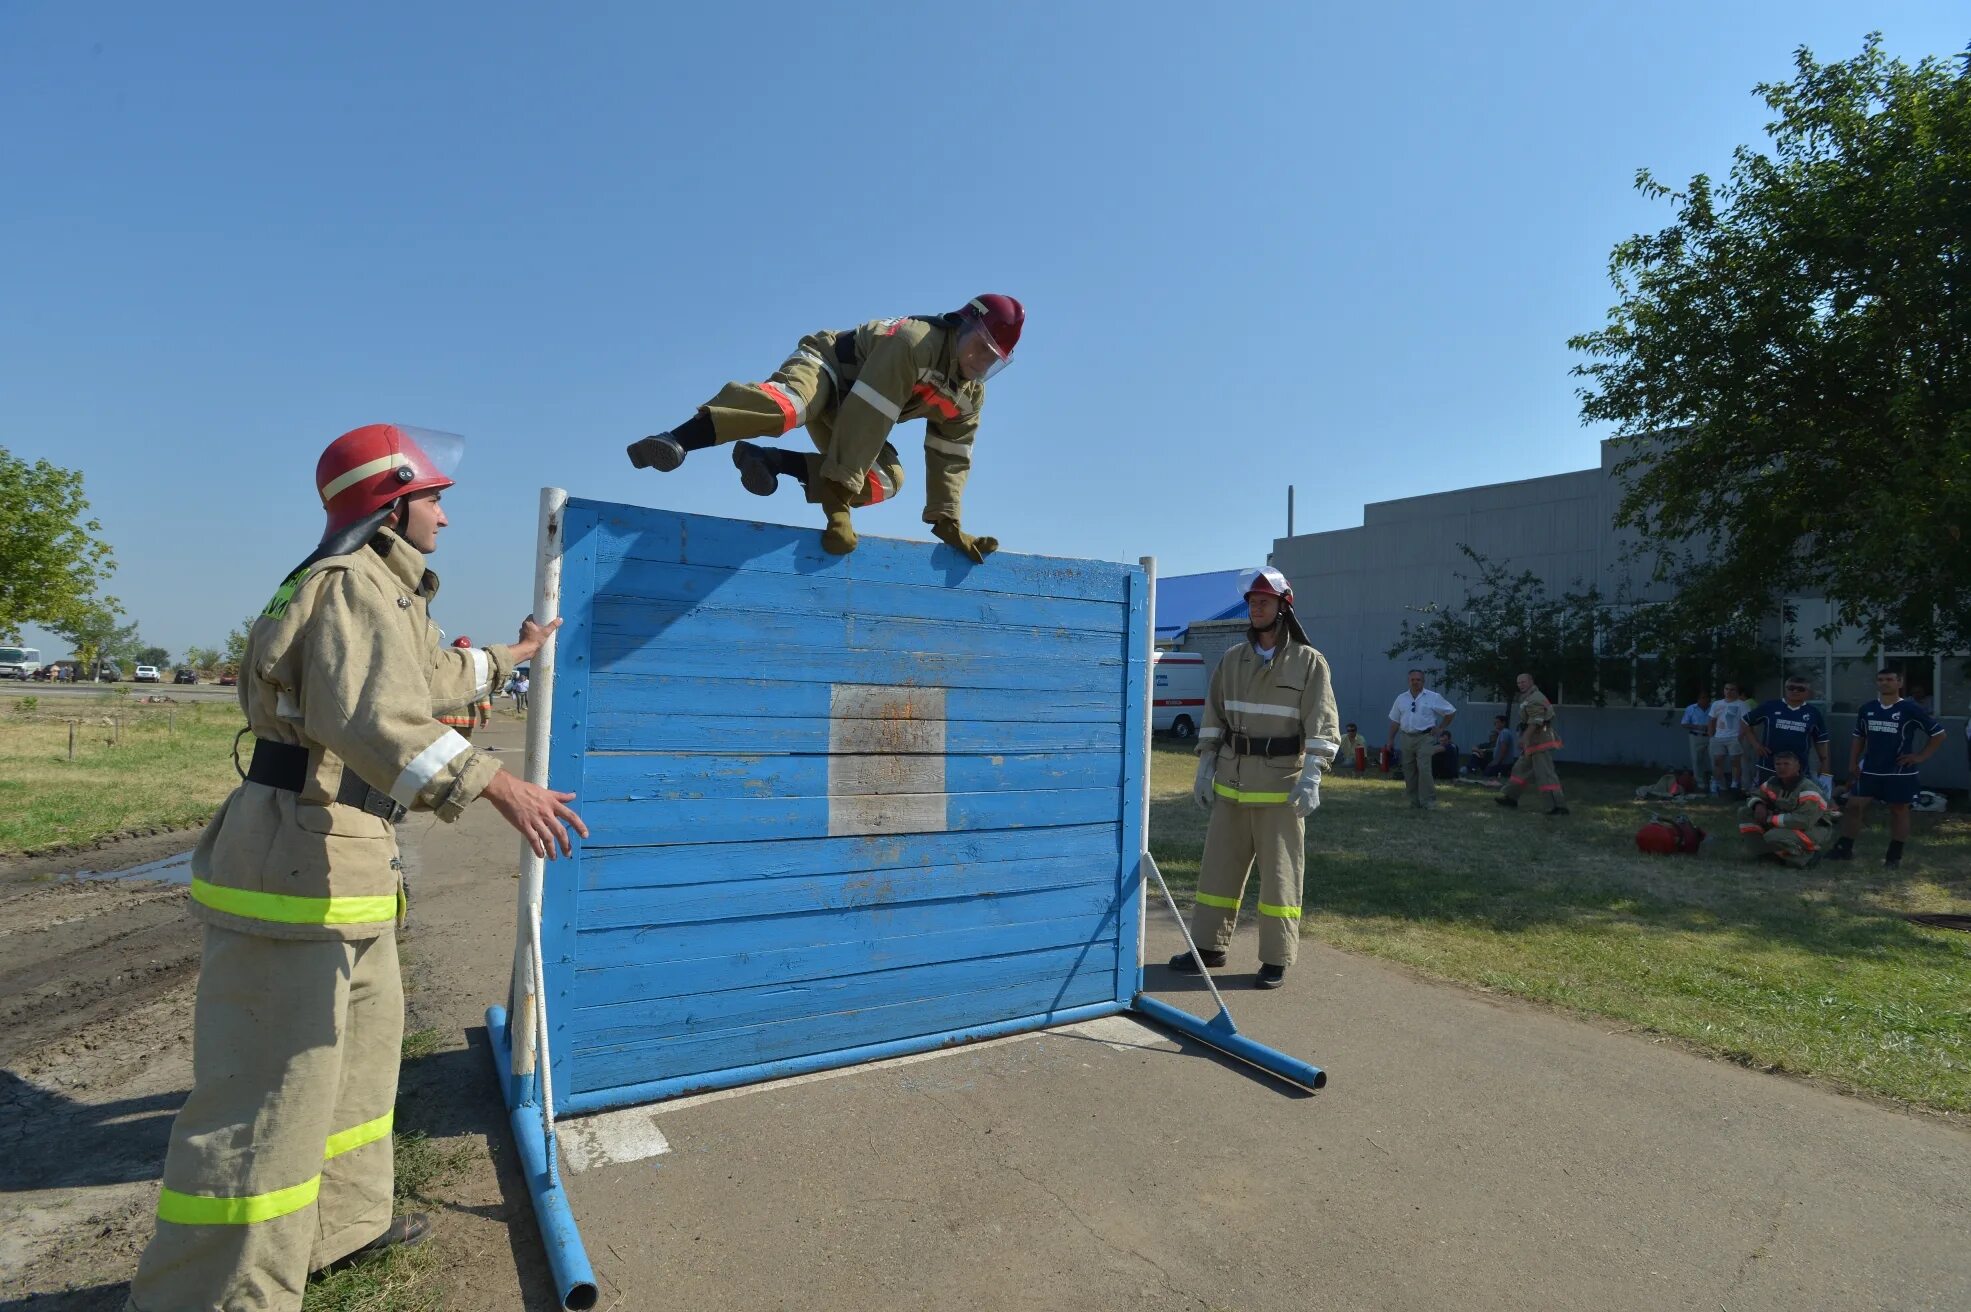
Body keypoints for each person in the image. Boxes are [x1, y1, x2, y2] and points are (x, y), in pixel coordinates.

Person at [128, 424, 588, 1311]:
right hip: (297, 862)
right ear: (391, 502)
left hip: (343, 863)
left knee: (358, 1068)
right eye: (436, 500)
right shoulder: (349, 589)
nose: (447, 520)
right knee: (270, 1100)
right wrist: (499, 787)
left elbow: (427, 677)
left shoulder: (384, 589)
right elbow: (376, 721)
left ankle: (336, 1234)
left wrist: (511, 656)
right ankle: (216, 1297)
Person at [627, 295, 1023, 560]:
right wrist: (838, 511)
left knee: (887, 479)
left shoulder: (969, 396)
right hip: (829, 368)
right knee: (789, 408)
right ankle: (674, 439)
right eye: (978, 346)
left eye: (992, 358)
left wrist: (949, 522)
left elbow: (951, 458)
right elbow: (870, 414)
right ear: (960, 326)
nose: (980, 361)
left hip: (861, 406)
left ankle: (767, 460)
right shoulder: (915, 342)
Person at [1171, 567, 1339, 989]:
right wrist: (1205, 764)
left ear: (1284, 606)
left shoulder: (1308, 663)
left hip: (1281, 789)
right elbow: (1214, 718)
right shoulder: (1232, 660)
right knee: (1216, 874)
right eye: (1251, 601)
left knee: (1280, 878)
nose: (1256, 607)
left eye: (1264, 600)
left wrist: (1312, 777)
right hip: (1232, 783)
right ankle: (1208, 947)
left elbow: (1323, 726)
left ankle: (1276, 958)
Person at [1825, 669, 1946, 869]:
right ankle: (1843, 849)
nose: (1885, 683)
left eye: (1890, 679)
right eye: (1880, 680)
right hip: (1870, 769)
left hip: (1898, 771)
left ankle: (1894, 856)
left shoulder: (1910, 709)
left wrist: (1920, 756)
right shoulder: (1868, 708)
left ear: (1899, 683)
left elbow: (1939, 734)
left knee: (1899, 810)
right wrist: (1853, 762)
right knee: (1853, 806)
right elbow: (1859, 737)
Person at [1734, 749, 1833, 867]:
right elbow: (1755, 795)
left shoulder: (1808, 790)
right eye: (1778, 764)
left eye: (1786, 764)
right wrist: (1758, 805)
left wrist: (1770, 819)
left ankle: (1807, 857)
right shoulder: (1773, 782)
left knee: (1773, 836)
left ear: (1798, 767)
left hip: (1813, 828)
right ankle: (1765, 854)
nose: (1781, 768)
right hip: (1786, 824)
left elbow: (1804, 821)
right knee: (1745, 812)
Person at [1740, 676, 1831, 791]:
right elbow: (1745, 722)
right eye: (1791, 688)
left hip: (1799, 766)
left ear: (1808, 692)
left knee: (1795, 800)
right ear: (1785, 689)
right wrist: (1756, 744)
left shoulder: (1813, 713)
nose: (1795, 691)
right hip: (1769, 764)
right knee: (1768, 798)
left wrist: (1824, 764)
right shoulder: (1770, 706)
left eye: (1800, 689)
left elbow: (1821, 740)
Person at [1495, 673, 1567, 814]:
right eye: (1519, 682)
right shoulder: (1528, 697)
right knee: (1519, 770)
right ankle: (1510, 797)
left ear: (1531, 682)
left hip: (1540, 742)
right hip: (1533, 742)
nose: (1521, 684)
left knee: (1545, 774)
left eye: (1523, 682)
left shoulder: (1535, 698)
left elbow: (1536, 721)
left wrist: (1524, 739)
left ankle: (1557, 806)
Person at [1384, 669, 1456, 810]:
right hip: (1406, 737)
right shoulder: (1401, 698)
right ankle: (1414, 801)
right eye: (1413, 680)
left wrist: (1441, 728)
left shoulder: (1433, 697)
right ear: (1408, 681)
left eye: (1418, 680)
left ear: (1423, 681)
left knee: (1424, 768)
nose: (1415, 682)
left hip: (1425, 737)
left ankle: (1428, 801)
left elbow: (1451, 711)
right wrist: (1390, 740)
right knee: (1409, 769)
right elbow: (1395, 721)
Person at [437, 636, 496, 741]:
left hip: (443, 718)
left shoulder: (444, 667)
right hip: (465, 719)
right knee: (463, 749)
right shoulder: (475, 670)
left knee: (444, 749)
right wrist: (486, 716)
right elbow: (482, 695)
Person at [1709, 682, 1750, 797]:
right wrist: (1711, 736)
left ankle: (1734, 783)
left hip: (1734, 737)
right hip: (1718, 737)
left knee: (1735, 762)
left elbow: (1745, 722)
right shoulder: (1716, 704)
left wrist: (1740, 737)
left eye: (1732, 689)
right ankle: (1717, 784)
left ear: (1737, 692)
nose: (1729, 691)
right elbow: (1711, 720)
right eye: (1726, 689)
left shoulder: (1742, 705)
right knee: (1717, 761)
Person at [1679, 693, 1714, 793]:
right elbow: (1684, 723)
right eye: (1702, 698)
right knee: (1697, 760)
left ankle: (1715, 782)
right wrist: (1698, 726)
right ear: (1698, 700)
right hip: (1696, 736)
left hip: (1711, 736)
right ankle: (1700, 783)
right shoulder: (1691, 708)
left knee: (1715, 759)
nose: (1704, 700)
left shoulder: (1713, 708)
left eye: (1706, 698)